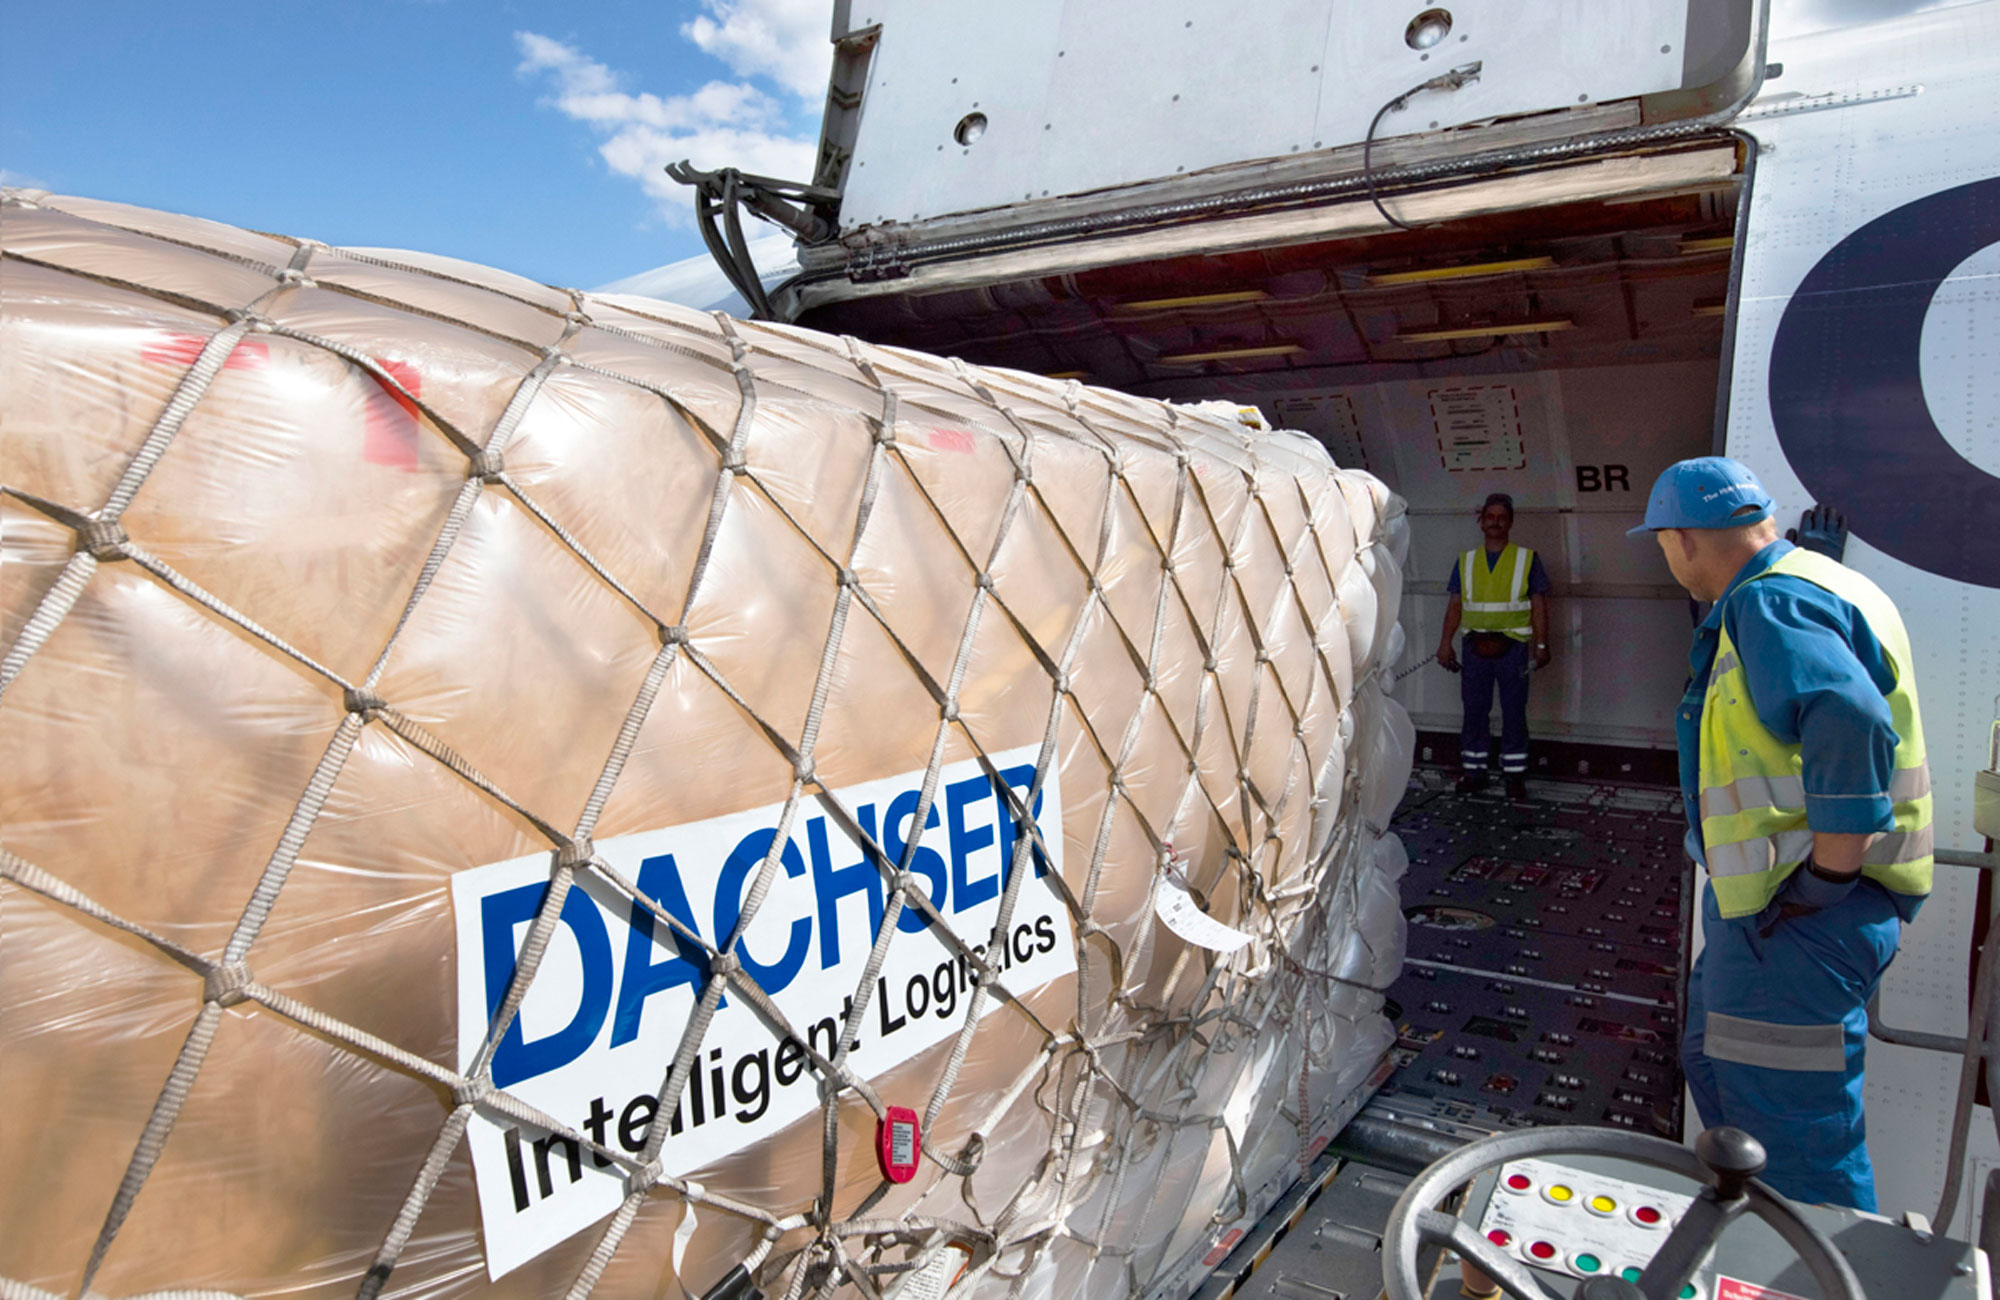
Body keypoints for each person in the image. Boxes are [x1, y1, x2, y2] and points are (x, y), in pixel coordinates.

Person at [1632, 457, 1931, 1211]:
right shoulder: (1812, 586)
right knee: (1716, 1068)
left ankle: (1813, 1273)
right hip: (1773, 914)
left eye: (1663, 544)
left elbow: (1850, 717)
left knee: (1790, 1137)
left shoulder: (1771, 604)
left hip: (1801, 920)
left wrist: (1829, 875)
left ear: (1684, 538)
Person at [1434, 493, 1552, 798]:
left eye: (1501, 517)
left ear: (1510, 522)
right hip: (1475, 649)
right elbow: (1455, 605)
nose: (1495, 522)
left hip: (1512, 649)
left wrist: (1541, 645)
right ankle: (1474, 772)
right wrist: (1445, 644)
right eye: (1490, 517)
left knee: (1514, 711)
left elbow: (1538, 605)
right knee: (1474, 711)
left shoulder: (1527, 559)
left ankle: (1514, 775)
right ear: (1481, 521)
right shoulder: (1466, 561)